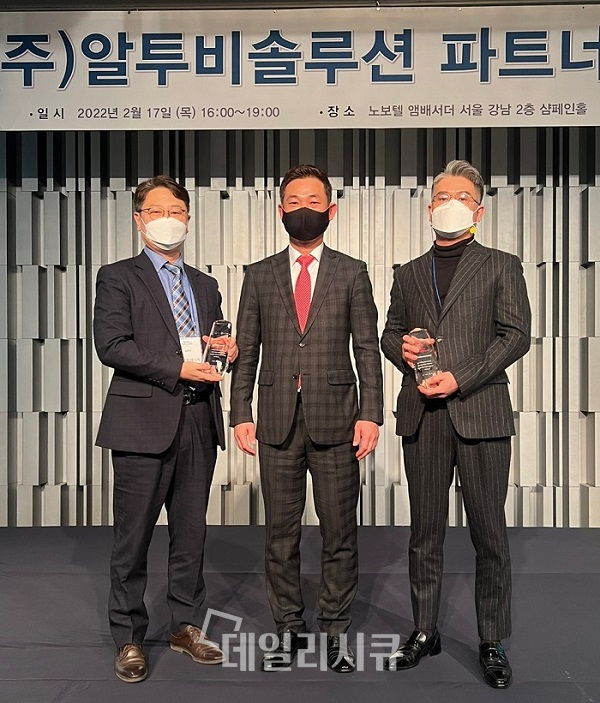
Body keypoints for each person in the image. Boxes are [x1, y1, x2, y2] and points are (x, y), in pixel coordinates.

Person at [380, 160, 531, 689]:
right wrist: (402, 350)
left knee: (489, 532)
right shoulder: (408, 272)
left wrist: (460, 377)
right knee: (425, 531)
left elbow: (515, 335)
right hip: (423, 414)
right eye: (442, 196)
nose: (450, 204)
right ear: (429, 208)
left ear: (479, 211)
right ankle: (425, 629)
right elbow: (390, 332)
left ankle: (491, 638)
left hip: (480, 411)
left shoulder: (501, 265)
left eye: (462, 197)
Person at [230, 164, 383, 673]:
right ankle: (288, 628)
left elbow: (367, 349)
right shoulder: (258, 275)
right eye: (294, 202)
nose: (303, 210)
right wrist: (240, 412)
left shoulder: (352, 272)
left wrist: (371, 413)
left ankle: (336, 630)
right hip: (275, 420)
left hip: (337, 420)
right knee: (281, 533)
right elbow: (246, 350)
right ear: (280, 211)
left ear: (331, 210)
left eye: (313, 202)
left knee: (340, 532)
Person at [94, 175, 238, 683]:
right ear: (139, 220)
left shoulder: (205, 284)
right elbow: (112, 345)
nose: (166, 219)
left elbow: (211, 349)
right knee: (132, 538)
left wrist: (226, 351)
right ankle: (129, 636)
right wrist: (177, 367)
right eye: (155, 211)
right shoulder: (118, 277)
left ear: (188, 219)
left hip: (198, 419)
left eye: (175, 210)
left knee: (191, 534)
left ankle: (185, 626)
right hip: (141, 423)